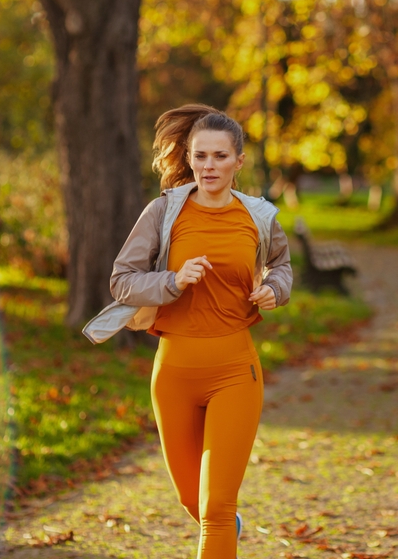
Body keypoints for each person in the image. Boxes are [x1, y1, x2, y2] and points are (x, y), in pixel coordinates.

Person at [100, 104, 292, 558]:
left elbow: (281, 265)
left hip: (235, 372)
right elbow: (122, 280)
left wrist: (274, 289)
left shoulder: (259, 217)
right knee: (193, 501)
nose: (209, 166)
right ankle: (227, 531)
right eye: (200, 156)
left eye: (220, 156)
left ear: (238, 161)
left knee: (216, 509)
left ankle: (223, 530)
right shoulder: (163, 212)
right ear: (188, 158)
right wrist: (173, 280)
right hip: (174, 376)